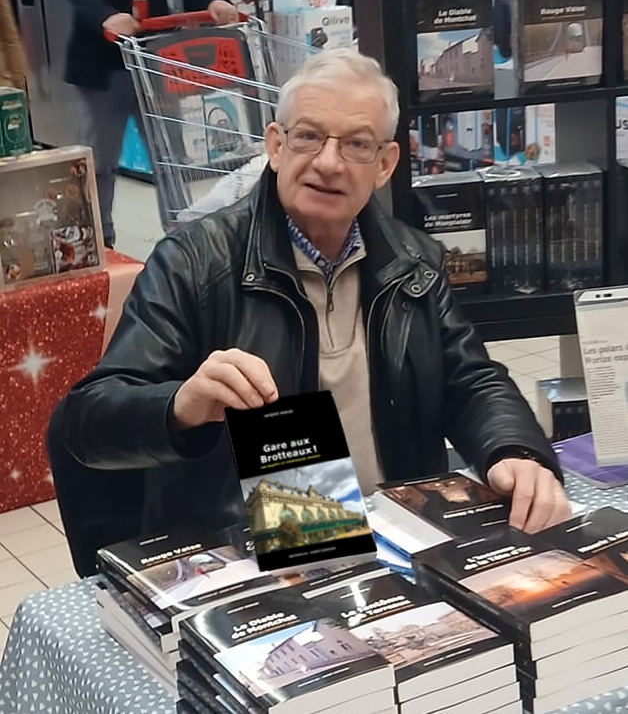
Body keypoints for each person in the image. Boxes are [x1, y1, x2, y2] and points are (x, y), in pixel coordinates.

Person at [52, 48, 570, 540]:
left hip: (402, 533)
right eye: (308, 137)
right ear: (275, 146)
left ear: (386, 164)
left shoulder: (414, 261)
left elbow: (470, 380)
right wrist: (181, 405)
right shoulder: (195, 262)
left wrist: (515, 451)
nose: (328, 162)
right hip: (251, 549)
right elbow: (89, 420)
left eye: (356, 144)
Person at [55, 0, 238, 248]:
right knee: (100, 161)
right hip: (100, 64)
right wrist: (105, 17)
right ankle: (99, 244)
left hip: (155, 56)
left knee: (170, 159)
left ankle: (183, 240)